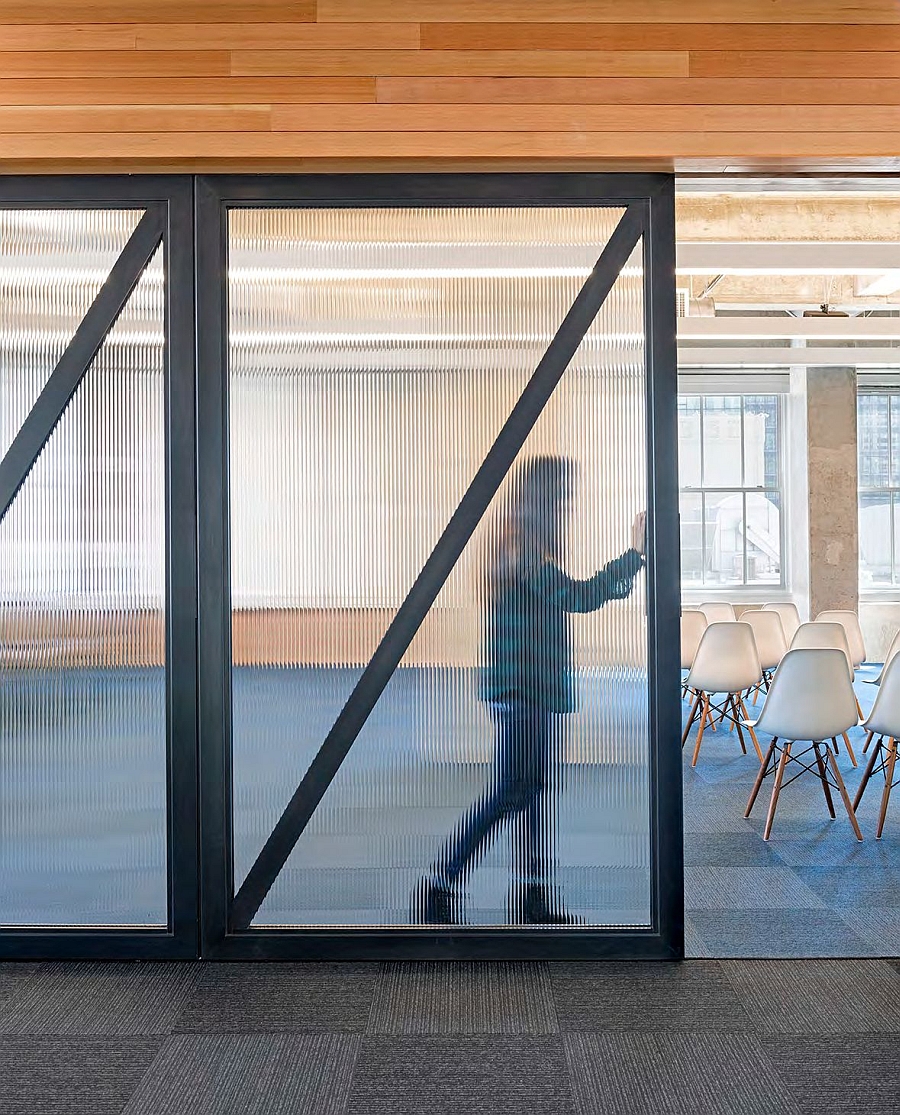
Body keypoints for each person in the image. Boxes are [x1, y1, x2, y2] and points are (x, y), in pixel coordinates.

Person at [415, 454, 646, 926]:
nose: (568, 505)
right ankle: (440, 885)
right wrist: (637, 555)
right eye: (562, 496)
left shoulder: (522, 547)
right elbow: (578, 597)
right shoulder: (522, 553)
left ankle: (529, 896)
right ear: (543, 500)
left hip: (529, 691)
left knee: (528, 792)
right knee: (511, 792)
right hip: (524, 693)